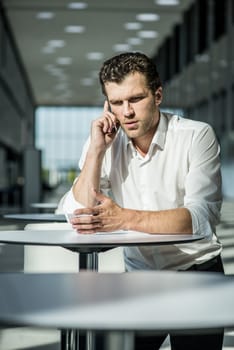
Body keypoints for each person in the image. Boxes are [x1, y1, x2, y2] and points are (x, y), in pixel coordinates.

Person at [58, 52, 224, 350]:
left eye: (135, 99)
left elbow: (199, 219)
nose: (127, 112)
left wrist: (123, 218)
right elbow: (76, 212)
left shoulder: (196, 136)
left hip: (197, 275)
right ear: (107, 105)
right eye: (117, 103)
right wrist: (97, 151)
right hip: (139, 280)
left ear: (158, 95)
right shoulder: (103, 141)